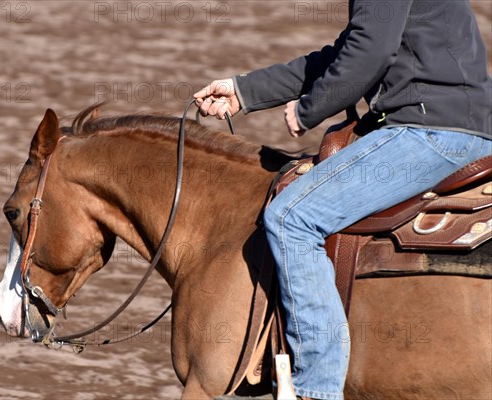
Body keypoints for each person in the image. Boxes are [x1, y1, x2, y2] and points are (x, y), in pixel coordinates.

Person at [193, 0, 492, 399]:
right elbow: (347, 52)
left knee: (291, 218)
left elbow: (370, 50)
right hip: (450, 122)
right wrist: (244, 91)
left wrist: (308, 111)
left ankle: (315, 387)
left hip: (428, 129)